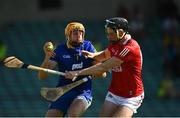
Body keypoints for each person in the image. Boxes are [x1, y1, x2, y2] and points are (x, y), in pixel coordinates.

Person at [65, 17, 144, 117]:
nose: (108, 36)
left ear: (120, 32)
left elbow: (103, 67)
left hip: (131, 96)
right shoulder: (116, 43)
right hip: (114, 92)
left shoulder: (129, 48)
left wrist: (77, 72)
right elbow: (105, 54)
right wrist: (93, 55)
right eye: (108, 33)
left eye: (111, 34)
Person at [38, 22, 106, 117]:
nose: (79, 35)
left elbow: (102, 73)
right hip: (62, 92)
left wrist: (89, 72)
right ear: (68, 35)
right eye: (75, 33)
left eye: (81, 32)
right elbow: (42, 76)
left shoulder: (88, 47)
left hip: (83, 92)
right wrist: (47, 57)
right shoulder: (60, 50)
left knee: (73, 114)